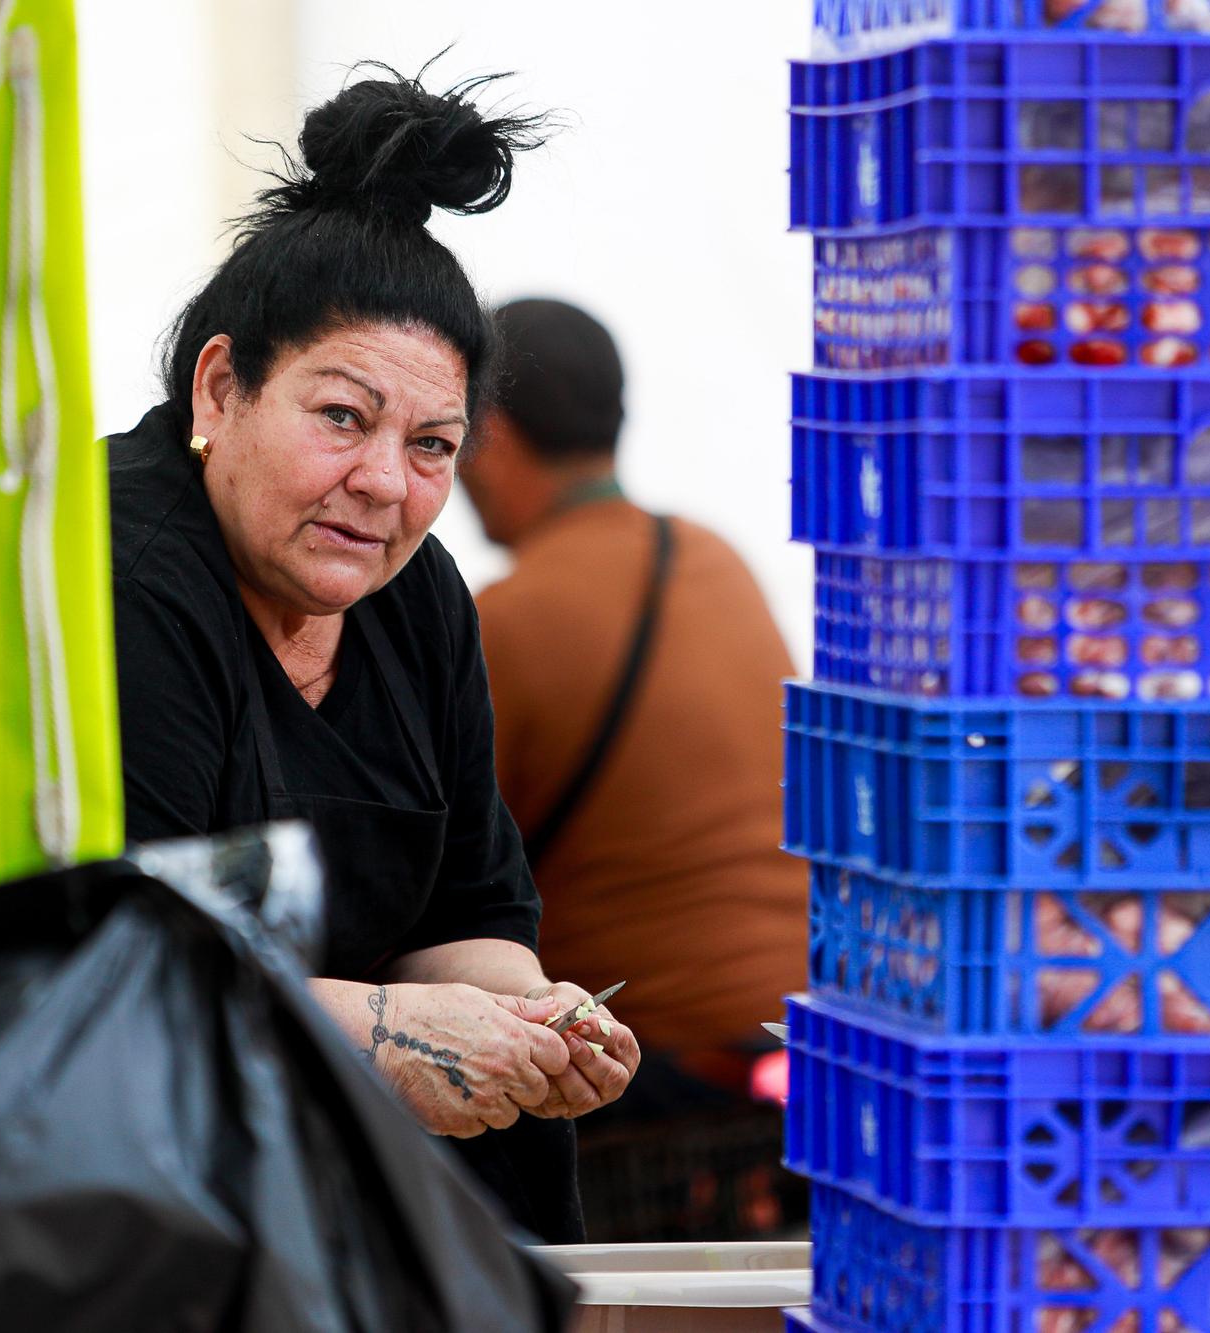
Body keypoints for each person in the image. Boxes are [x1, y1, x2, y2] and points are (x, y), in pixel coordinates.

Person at [106, 72, 639, 1245]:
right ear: (219, 385)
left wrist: (535, 1019)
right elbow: (142, 977)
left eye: (433, 445)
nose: (386, 485)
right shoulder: (131, 569)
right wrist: (394, 1029)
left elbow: (468, 902)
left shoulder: (414, 593)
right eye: (340, 417)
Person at [460, 298, 804, 1114]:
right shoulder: (713, 555)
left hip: (658, 1067)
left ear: (496, 435)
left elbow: (443, 867)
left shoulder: (506, 617)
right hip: (800, 1025)